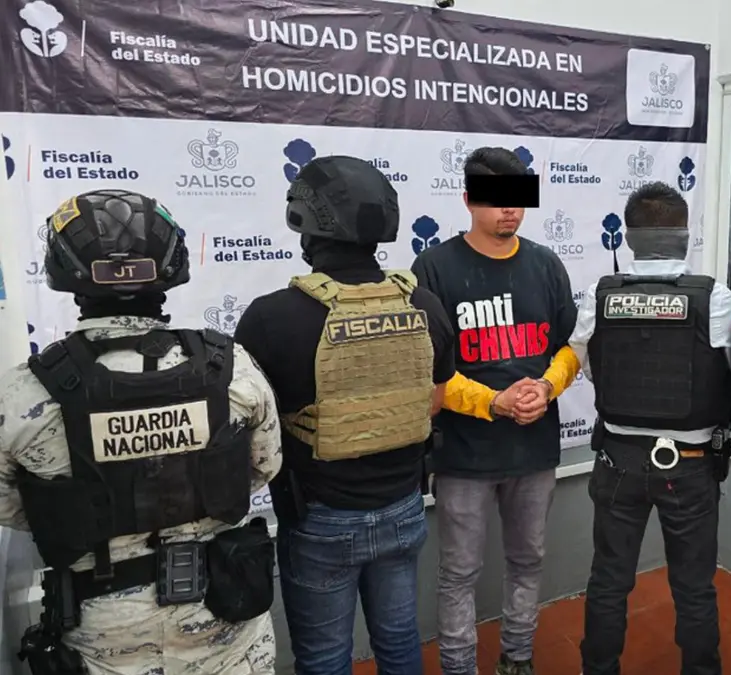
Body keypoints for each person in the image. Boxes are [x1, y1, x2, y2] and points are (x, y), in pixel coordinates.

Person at [0, 189, 282, 674]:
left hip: (106, 635)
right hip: (226, 619)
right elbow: (264, 466)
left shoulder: (26, 392)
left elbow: (12, 505)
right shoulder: (231, 368)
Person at [235, 156, 456, 675]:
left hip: (319, 519)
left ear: (305, 222)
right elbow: (435, 400)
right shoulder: (424, 303)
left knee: (324, 658)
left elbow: (248, 429)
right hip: (403, 508)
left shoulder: (271, 317)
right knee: (399, 642)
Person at [411, 147, 580, 675]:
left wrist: (547, 388)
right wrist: (492, 402)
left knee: (528, 561)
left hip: (534, 448)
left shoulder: (546, 264)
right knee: (459, 572)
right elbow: (425, 367)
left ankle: (518, 658)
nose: (510, 209)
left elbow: (570, 346)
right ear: (467, 200)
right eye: (496, 199)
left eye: (518, 198)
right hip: (464, 453)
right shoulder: (433, 268)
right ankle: (460, 667)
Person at [570, 182, 731, 675]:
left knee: (608, 580)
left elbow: (585, 365)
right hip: (689, 465)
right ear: (684, 236)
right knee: (694, 586)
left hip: (616, 461)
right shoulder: (715, 298)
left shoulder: (599, 295)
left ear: (630, 237)